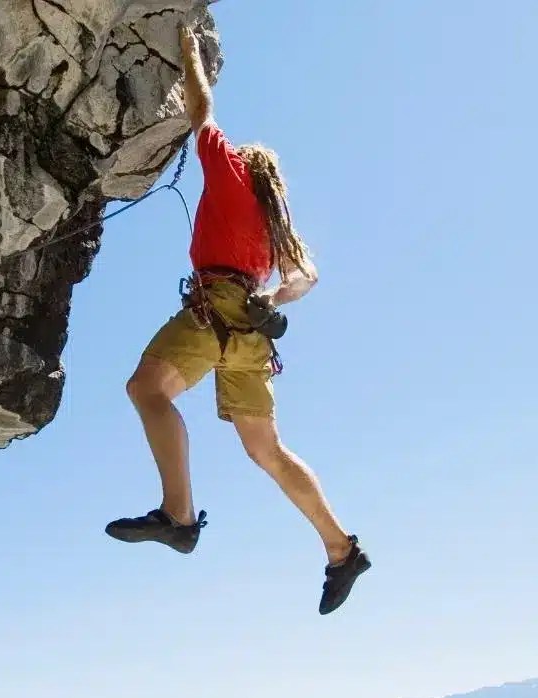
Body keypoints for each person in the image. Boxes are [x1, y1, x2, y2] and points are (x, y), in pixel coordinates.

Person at [105, 24, 372, 615]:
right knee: (266, 450)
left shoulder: (228, 171)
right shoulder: (275, 225)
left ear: (245, 165)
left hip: (214, 307)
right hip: (251, 326)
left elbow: (202, 112)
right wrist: (273, 303)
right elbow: (307, 276)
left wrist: (187, 52)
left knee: (147, 390)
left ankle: (178, 514)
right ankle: (340, 548)